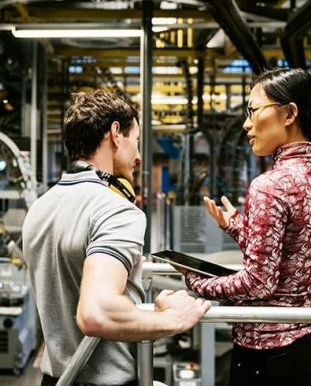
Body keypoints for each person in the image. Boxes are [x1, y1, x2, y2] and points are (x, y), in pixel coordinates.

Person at [22, 89, 211, 386]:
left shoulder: (40, 208)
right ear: (115, 134)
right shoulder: (117, 211)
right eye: (136, 142)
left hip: (56, 378)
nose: (137, 156)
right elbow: (96, 312)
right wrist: (171, 320)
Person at [183, 68, 311, 386]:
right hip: (307, 353)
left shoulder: (271, 184)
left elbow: (259, 283)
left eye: (253, 111)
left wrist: (198, 284)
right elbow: (290, 256)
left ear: (290, 113)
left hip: (266, 360)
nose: (247, 124)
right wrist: (236, 226)